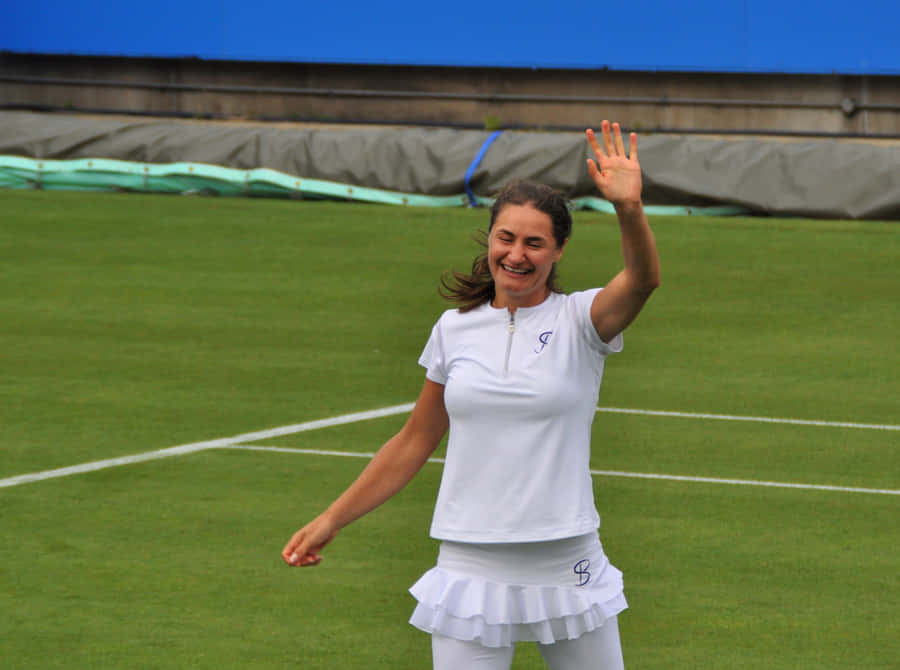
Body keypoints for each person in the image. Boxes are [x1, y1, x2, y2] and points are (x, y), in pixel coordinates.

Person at [282, 120, 660, 670]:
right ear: (489, 240)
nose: (517, 254)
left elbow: (643, 279)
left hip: (566, 557)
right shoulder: (453, 329)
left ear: (558, 251)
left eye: (535, 243)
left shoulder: (583, 319)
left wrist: (629, 208)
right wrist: (330, 520)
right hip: (469, 562)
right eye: (506, 238)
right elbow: (414, 441)